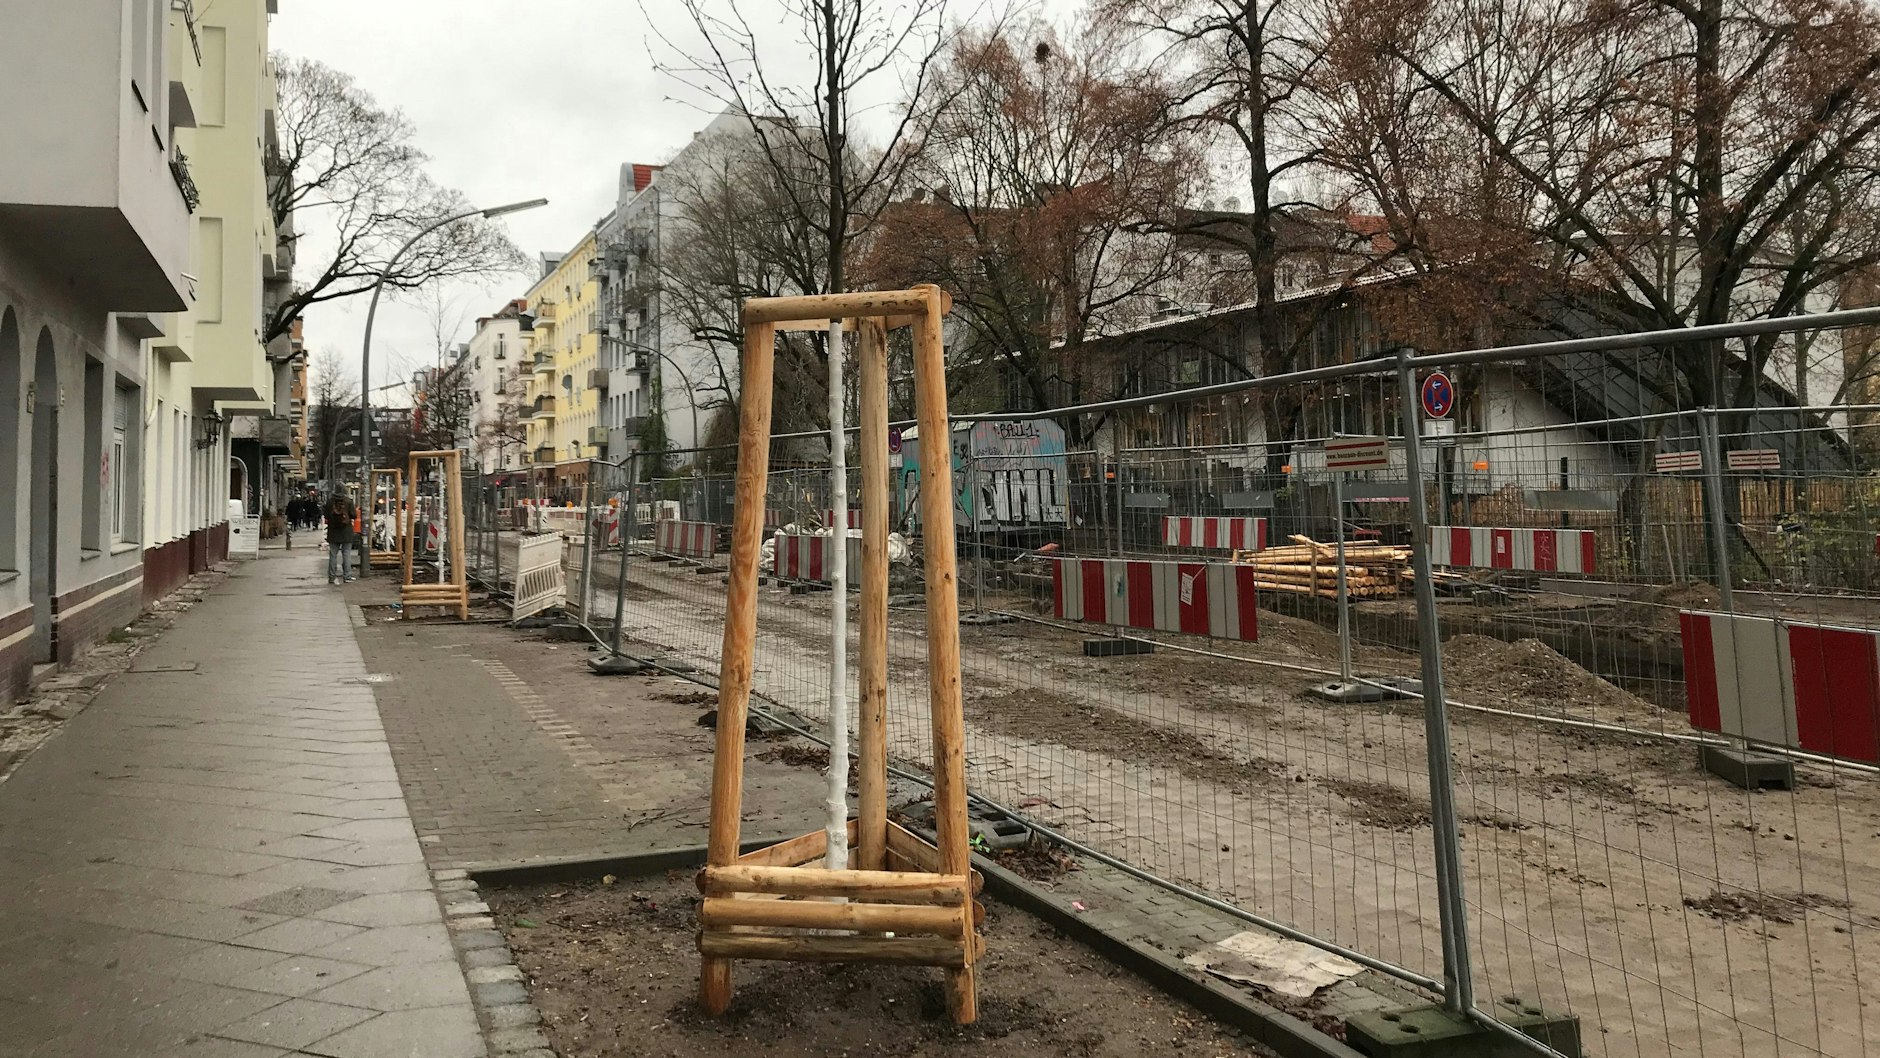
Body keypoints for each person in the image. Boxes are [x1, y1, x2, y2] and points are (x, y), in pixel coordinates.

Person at [325, 492, 358, 584]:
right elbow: (354, 515)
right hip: (346, 532)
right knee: (346, 554)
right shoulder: (348, 501)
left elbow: (326, 515)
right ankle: (347, 576)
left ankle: (331, 577)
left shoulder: (330, 502)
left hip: (333, 532)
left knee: (333, 555)